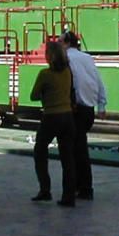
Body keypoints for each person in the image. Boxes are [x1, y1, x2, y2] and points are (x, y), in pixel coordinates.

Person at [60, 31, 107, 201]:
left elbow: (73, 83)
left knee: (74, 151)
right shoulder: (87, 58)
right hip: (88, 108)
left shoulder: (67, 59)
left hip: (76, 109)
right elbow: (98, 81)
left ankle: (81, 188)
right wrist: (102, 104)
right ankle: (82, 187)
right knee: (79, 148)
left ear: (66, 43)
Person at [29, 40, 77, 207]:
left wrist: (45, 95)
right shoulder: (67, 72)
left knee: (40, 151)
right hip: (68, 116)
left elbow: (33, 95)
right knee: (67, 157)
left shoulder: (45, 74)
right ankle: (69, 195)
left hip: (51, 116)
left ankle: (45, 189)